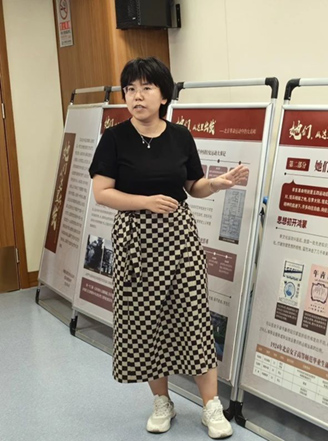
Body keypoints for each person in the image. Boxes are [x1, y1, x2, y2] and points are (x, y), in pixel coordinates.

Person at [89, 56, 247, 439]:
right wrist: (144, 202)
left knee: (193, 317)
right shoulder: (114, 138)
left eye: (146, 88)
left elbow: (193, 187)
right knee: (146, 321)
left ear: (163, 96)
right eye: (130, 89)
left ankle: (211, 406)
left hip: (180, 238)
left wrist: (217, 184)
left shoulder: (180, 136)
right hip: (136, 240)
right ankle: (162, 402)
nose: (136, 96)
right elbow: (102, 192)